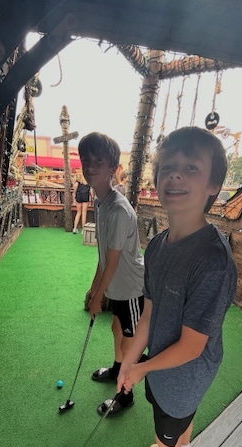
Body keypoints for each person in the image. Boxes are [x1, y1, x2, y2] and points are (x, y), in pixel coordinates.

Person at [116, 126, 237, 447]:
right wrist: (130, 360)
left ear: (213, 185)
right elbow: (149, 313)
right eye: (167, 167)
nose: (175, 176)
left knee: (165, 431)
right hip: (163, 367)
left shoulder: (213, 261)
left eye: (191, 168)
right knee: (178, 421)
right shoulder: (156, 247)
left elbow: (191, 346)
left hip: (186, 372)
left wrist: (142, 368)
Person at [78, 132, 145, 416]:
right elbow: (103, 256)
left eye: (99, 161)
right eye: (86, 160)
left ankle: (125, 396)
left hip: (131, 287)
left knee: (130, 343)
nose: (90, 166)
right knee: (117, 329)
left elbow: (113, 262)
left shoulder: (117, 209)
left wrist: (98, 299)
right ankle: (117, 370)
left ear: (113, 168)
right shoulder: (100, 202)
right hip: (117, 285)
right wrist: (94, 291)